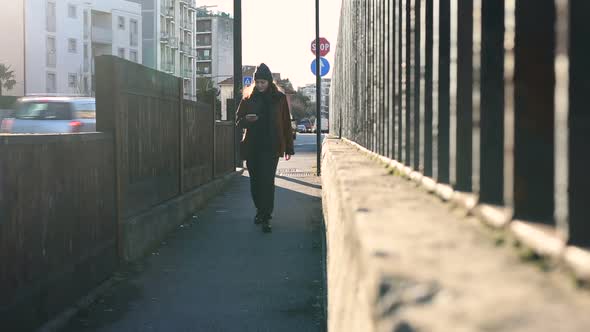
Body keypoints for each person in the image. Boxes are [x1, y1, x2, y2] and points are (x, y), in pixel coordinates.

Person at [235, 63, 295, 233]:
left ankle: (266, 216)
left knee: (267, 182)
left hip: (272, 146)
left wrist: (288, 148)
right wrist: (247, 119)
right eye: (258, 82)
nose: (260, 85)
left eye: (263, 82)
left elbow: (285, 124)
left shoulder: (279, 99)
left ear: (269, 82)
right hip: (253, 146)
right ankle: (259, 211)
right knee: (255, 183)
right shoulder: (248, 98)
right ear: (254, 82)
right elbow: (238, 121)